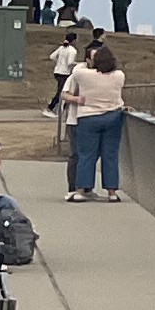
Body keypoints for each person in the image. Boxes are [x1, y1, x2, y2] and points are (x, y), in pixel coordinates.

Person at [60, 45, 129, 201]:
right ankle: (112, 192)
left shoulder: (83, 75)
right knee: (110, 155)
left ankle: (81, 190)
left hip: (88, 117)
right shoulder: (119, 75)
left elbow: (76, 71)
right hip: (113, 116)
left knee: (86, 155)